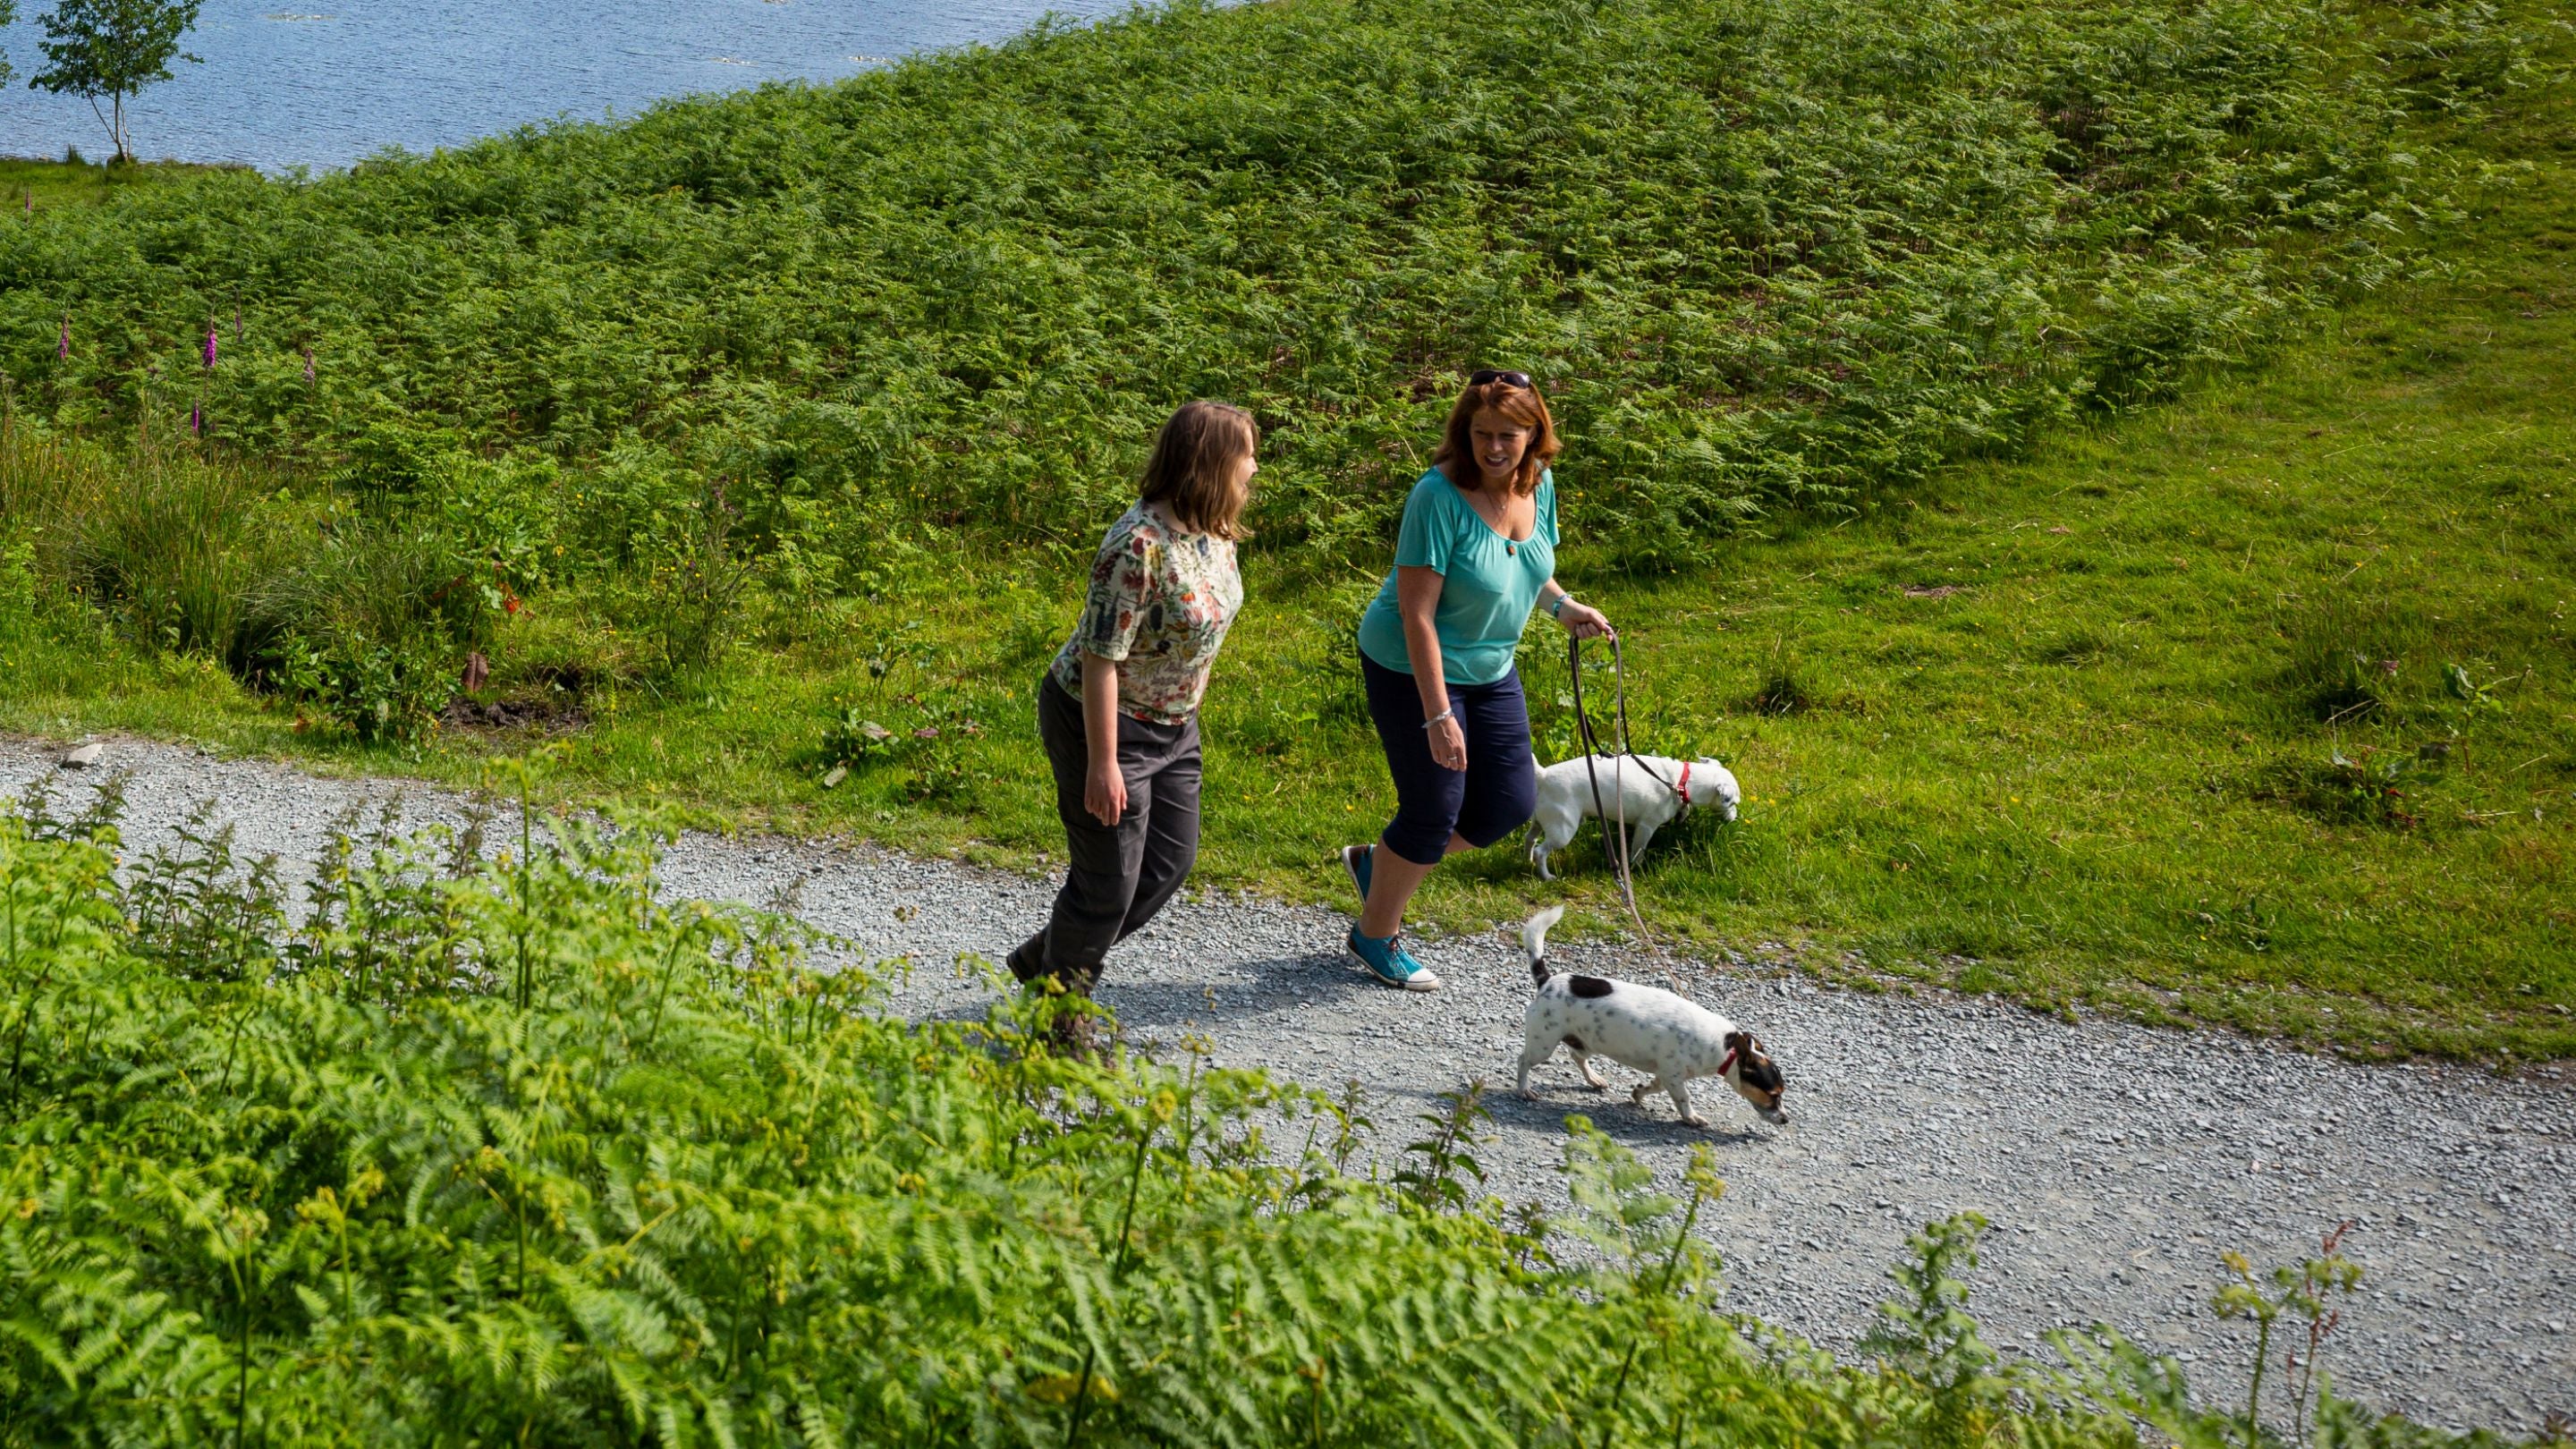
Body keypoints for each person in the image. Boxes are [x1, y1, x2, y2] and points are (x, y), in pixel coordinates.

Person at [1341, 370, 1613, 990]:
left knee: (1508, 804)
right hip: (1411, 664)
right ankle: (1374, 935)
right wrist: (1438, 717)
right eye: (1482, 434)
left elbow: (1522, 566)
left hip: (1491, 666)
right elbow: (1417, 614)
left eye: (1509, 436)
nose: (1494, 448)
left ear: (1534, 435)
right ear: (1464, 434)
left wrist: (1561, 606)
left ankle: (1380, 865)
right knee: (1435, 808)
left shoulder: (1539, 486)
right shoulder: (1436, 498)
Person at [1008, 401, 1256, 1048]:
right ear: (1210, 464)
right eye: (1245, 455)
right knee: (1107, 885)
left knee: (1169, 865)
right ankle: (1058, 1020)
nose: (1254, 468)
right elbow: (1100, 658)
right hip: (1102, 720)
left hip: (1176, 726)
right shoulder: (1136, 546)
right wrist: (1103, 762)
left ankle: (1047, 961)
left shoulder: (1216, 531)